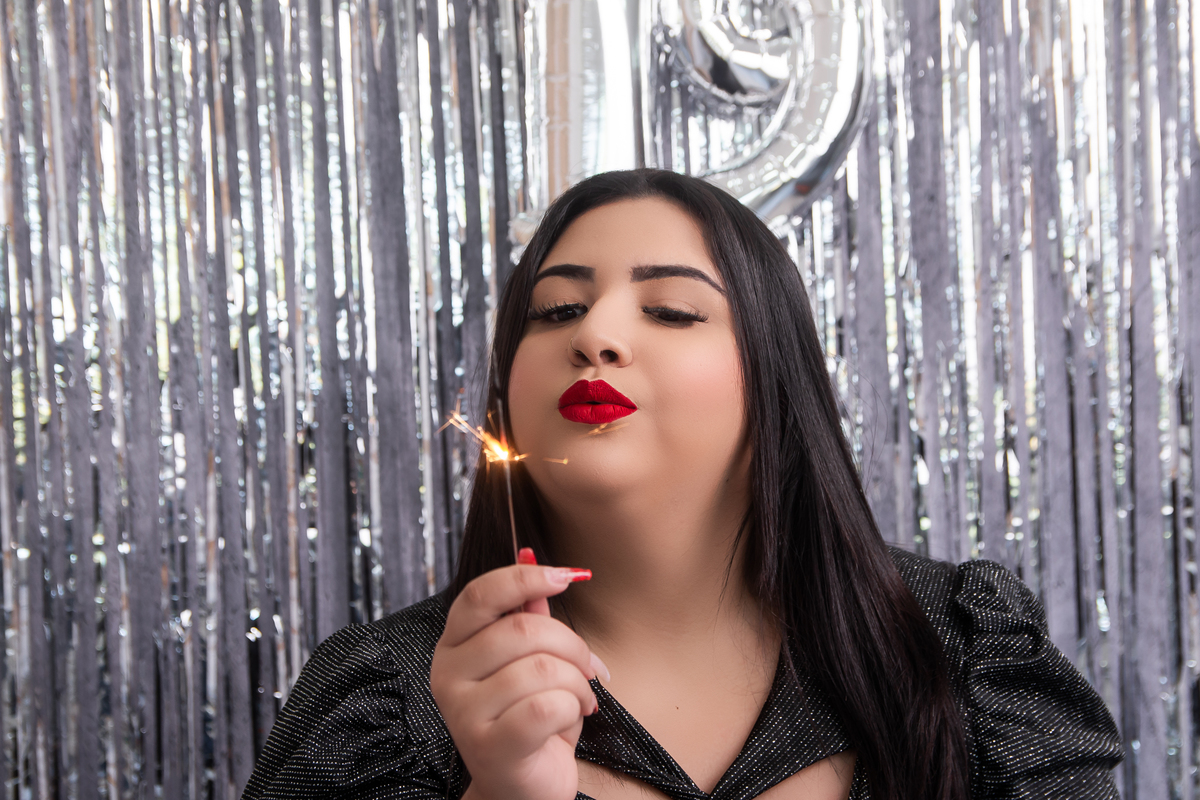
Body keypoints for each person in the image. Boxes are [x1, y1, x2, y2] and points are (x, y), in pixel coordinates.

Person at [240, 170, 1122, 800]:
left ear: (775, 377)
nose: (595, 335)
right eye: (556, 310)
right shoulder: (383, 700)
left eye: (670, 309)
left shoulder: (964, 652)